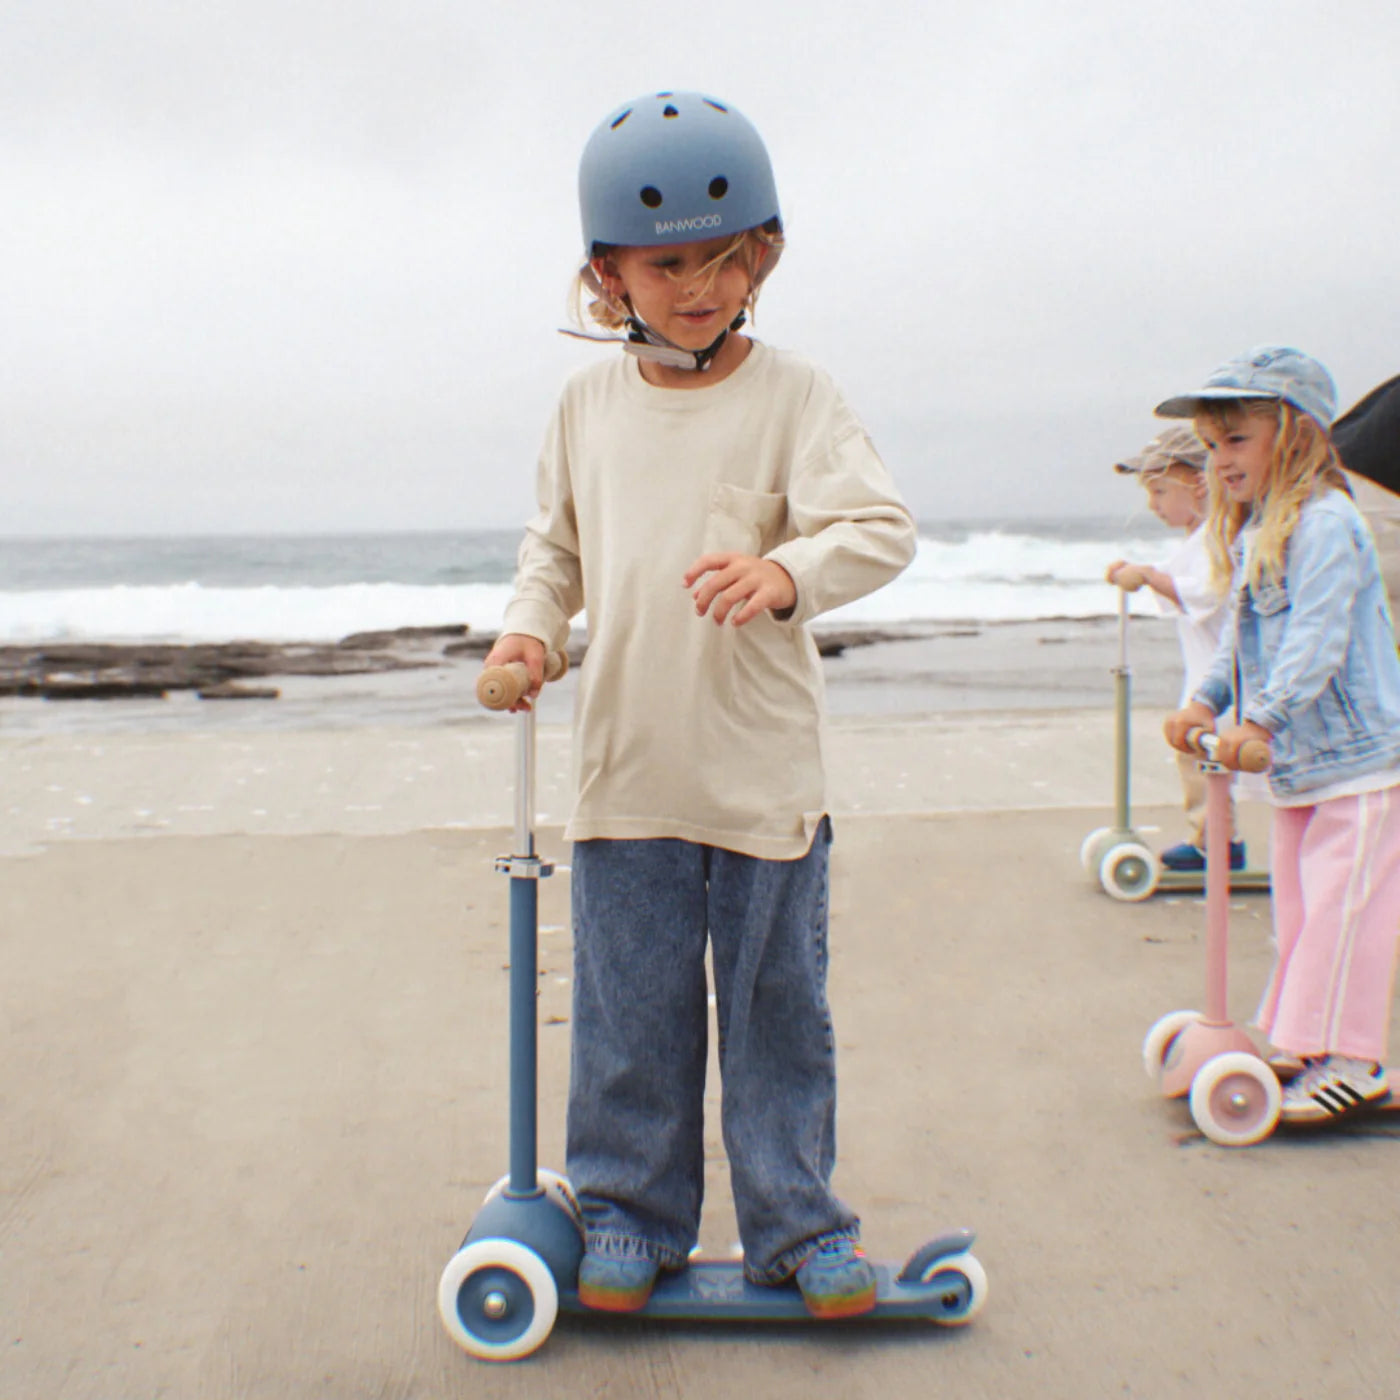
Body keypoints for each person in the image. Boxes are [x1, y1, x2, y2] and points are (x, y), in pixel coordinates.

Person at [482, 91, 917, 1315]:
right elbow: (552, 551)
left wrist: (790, 570)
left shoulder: (795, 396)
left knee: (778, 1013)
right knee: (631, 1017)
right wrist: (528, 631)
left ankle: (796, 1224)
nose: (694, 286)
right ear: (604, 275)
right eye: (664, 263)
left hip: (764, 779)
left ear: (760, 257)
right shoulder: (584, 408)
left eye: (721, 260)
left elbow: (877, 527)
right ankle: (629, 1212)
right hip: (626, 775)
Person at [1158, 346, 1400, 1123]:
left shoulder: (1327, 526)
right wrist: (1205, 702)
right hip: (1302, 765)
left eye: (1236, 439)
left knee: (1343, 914)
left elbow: (1317, 641)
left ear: (1292, 436)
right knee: (1298, 914)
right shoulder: (1263, 526)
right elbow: (1240, 634)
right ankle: (1304, 1041)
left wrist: (1259, 719)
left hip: (1361, 765)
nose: (1218, 460)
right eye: (1211, 444)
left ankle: (1355, 1063)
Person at [1106, 423, 1244, 871]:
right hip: (1204, 667)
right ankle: (1216, 838)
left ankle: (1216, 841)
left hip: (1221, 673)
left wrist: (1147, 576)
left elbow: (1204, 593)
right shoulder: (1198, 539)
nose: (1154, 505)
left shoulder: (1220, 536)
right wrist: (1137, 571)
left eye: (1161, 492)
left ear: (1198, 483)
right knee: (1195, 753)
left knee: (1200, 751)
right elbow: (1173, 578)